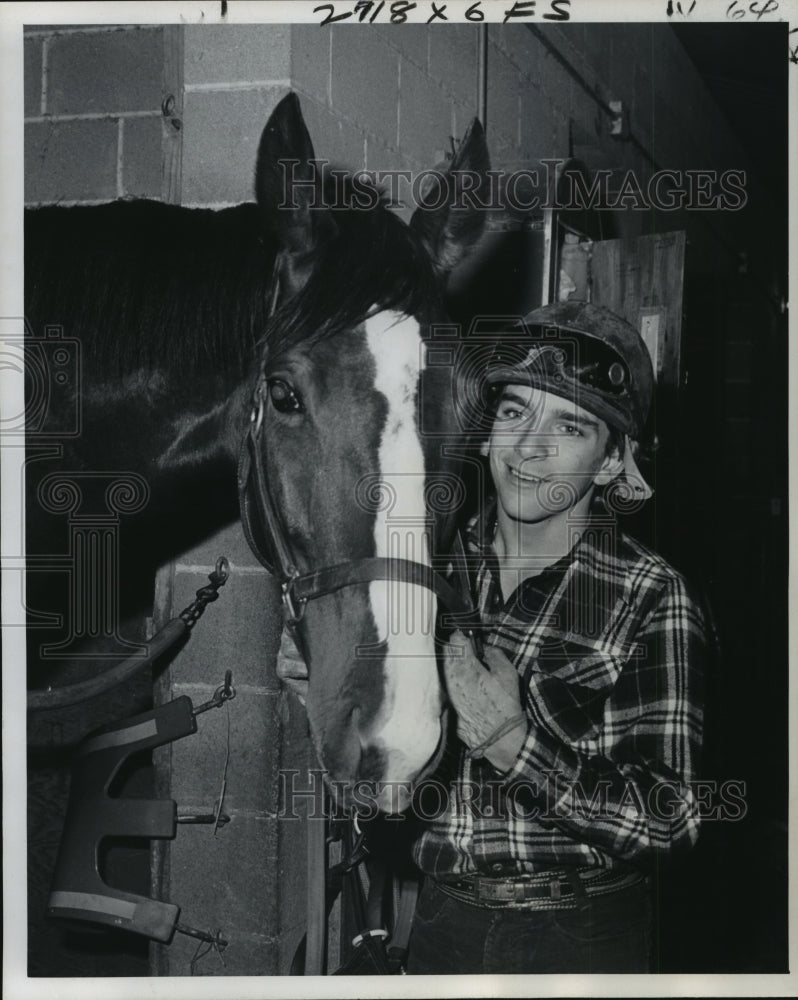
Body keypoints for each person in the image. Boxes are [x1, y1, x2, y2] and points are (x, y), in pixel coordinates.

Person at [277, 301, 706, 975]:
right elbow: (384, 786)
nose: (530, 446)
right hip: (442, 925)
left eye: (570, 425)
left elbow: (672, 819)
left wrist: (515, 743)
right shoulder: (429, 571)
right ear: (483, 434)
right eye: (513, 412)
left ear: (611, 462)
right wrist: (327, 696)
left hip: (578, 937)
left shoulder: (650, 594)